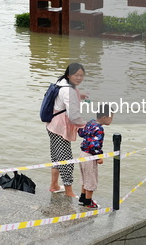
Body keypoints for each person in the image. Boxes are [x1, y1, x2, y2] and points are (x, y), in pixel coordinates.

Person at [46, 63, 88, 197]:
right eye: (76, 75)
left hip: (52, 125)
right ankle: (69, 192)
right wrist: (86, 125)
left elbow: (62, 98)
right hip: (60, 128)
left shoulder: (61, 82)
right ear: (69, 75)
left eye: (81, 75)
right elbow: (73, 116)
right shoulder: (68, 90)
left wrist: (79, 96)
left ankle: (54, 185)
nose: (79, 78)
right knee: (67, 160)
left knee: (57, 157)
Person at [78, 104, 113, 209]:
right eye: (111, 117)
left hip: (82, 154)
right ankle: (88, 202)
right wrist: (99, 157)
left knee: (85, 177)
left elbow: (81, 132)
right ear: (104, 118)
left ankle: (82, 197)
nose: (112, 120)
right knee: (91, 179)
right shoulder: (100, 129)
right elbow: (94, 145)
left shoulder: (90, 122)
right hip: (90, 156)